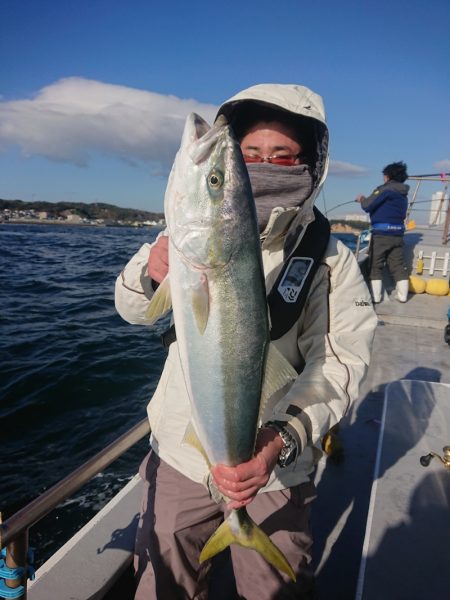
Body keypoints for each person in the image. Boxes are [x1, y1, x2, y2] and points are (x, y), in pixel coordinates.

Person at [115, 83, 377, 600]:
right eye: (249, 155)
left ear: (309, 163)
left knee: (275, 589)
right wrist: (151, 270)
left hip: (276, 468)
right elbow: (133, 310)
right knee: (165, 582)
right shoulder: (184, 238)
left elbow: (341, 360)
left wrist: (278, 442)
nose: (266, 165)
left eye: (282, 157)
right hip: (184, 458)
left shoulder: (330, 258)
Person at [356, 162, 410, 303]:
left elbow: (368, 205)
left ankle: (376, 297)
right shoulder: (403, 193)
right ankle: (403, 296)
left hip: (382, 235)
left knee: (375, 265)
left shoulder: (384, 190)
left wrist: (361, 199)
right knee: (398, 265)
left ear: (387, 176)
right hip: (398, 235)